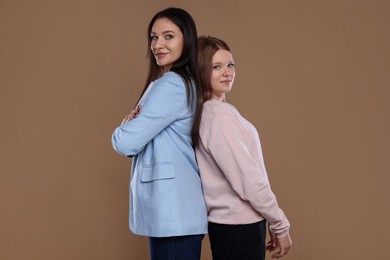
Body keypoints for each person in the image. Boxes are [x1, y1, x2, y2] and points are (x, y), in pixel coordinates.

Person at [111, 8, 207, 260]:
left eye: (168, 36)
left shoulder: (172, 85)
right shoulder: (183, 83)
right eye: (154, 37)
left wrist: (123, 128)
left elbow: (126, 142)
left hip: (173, 213)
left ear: (186, 40)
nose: (158, 45)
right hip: (173, 214)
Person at [194, 36, 292, 260]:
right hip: (237, 227)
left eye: (230, 64)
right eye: (216, 67)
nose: (227, 72)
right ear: (200, 71)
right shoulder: (219, 118)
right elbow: (248, 180)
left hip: (236, 225)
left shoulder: (213, 112)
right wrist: (280, 224)